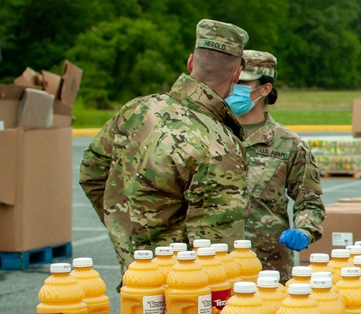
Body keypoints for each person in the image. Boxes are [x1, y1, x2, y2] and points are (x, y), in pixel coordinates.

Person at [80, 19, 250, 272]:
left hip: (136, 276)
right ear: (236, 74)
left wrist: (126, 232)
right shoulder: (219, 144)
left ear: (191, 62)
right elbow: (217, 249)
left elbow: (91, 173)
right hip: (185, 289)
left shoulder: (136, 111)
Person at [230, 50, 325, 282]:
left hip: (268, 267)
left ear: (265, 89)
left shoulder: (288, 144)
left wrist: (303, 230)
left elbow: (310, 202)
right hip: (215, 264)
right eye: (232, 80)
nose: (233, 88)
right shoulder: (209, 134)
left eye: (242, 82)